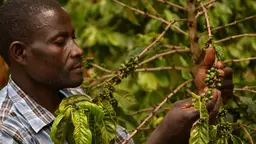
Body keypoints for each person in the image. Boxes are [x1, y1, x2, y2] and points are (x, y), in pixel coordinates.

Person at [0, 0, 233, 144]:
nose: (78, 50)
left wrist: (203, 108)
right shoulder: (7, 131)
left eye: (74, 38)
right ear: (20, 53)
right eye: (60, 42)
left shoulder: (74, 100)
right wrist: (163, 137)